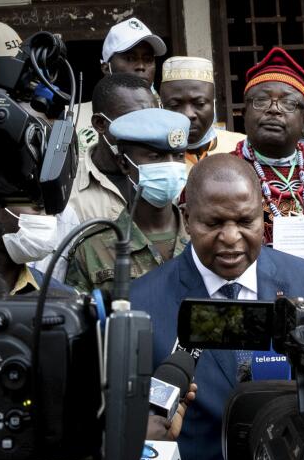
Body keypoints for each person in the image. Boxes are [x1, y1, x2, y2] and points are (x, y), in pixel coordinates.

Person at [129, 154, 304, 460]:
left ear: (264, 216)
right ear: (187, 218)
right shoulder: (141, 303)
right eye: (213, 223)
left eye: (245, 222)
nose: (230, 238)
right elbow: (128, 424)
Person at [65, 108, 190, 294]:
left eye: (179, 156)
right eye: (156, 156)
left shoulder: (204, 235)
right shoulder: (93, 247)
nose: (170, 166)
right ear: (124, 163)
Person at [233, 47, 304, 247]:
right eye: (261, 100)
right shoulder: (220, 171)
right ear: (244, 113)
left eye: (288, 103)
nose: (274, 109)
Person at [66, 72, 157, 225]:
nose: (147, 130)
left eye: (153, 119)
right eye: (135, 120)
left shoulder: (165, 177)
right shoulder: (68, 191)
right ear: (100, 123)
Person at [159, 56, 243, 166]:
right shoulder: (152, 157)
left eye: (200, 104)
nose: (188, 114)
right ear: (161, 108)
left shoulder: (241, 148)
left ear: (213, 105)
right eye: (175, 105)